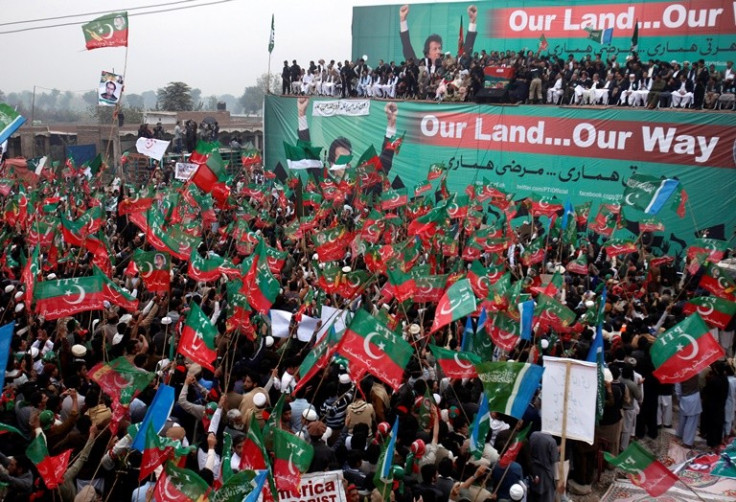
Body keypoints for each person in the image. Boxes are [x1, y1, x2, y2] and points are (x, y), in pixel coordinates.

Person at [399, 4, 477, 67]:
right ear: (427, 53)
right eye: (435, 49)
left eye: (439, 48)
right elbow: (407, 47)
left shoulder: (447, 66)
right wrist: (403, 19)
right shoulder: (419, 64)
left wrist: (472, 22)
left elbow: (466, 53)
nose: (439, 51)